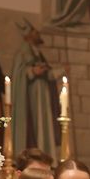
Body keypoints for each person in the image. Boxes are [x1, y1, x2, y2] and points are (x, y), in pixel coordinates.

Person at [11, 20, 59, 158]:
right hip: (31, 98)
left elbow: (48, 73)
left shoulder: (37, 53)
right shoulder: (22, 53)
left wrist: (60, 71)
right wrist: (31, 71)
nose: (38, 34)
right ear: (29, 35)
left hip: (42, 98)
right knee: (33, 126)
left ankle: (45, 154)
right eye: (35, 32)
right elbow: (19, 73)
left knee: (43, 126)